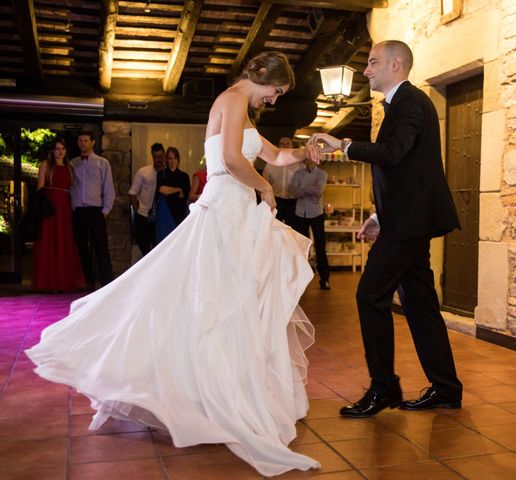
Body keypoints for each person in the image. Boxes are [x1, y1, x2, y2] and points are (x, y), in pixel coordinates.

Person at [26, 51, 322, 477]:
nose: (275, 100)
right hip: (226, 212)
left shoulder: (244, 108)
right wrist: (265, 190)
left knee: (230, 306)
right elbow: (237, 160)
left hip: (235, 212)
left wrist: (308, 152)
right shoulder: (235, 99)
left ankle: (220, 387)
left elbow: (273, 157)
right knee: (212, 305)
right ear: (264, 79)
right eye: (277, 91)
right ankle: (206, 392)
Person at [311, 40, 463, 418]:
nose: (366, 70)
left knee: (369, 297)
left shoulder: (410, 102)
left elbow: (393, 154)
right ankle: (445, 389)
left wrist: (342, 146)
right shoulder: (401, 104)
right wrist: (380, 215)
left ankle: (384, 389)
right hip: (407, 220)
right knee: (421, 305)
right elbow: (405, 170)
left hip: (410, 224)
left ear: (396, 64)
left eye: (372, 62)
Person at [32, 138, 85, 291]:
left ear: (66, 151)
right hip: (49, 208)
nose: (60, 151)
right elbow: (40, 189)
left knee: (63, 241)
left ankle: (62, 282)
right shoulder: (46, 165)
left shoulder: (69, 167)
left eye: (62, 148)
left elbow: (71, 189)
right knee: (48, 242)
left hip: (64, 208)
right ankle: (48, 282)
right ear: (52, 151)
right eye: (57, 148)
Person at [69, 130, 115, 291]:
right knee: (81, 247)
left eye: (86, 140)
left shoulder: (102, 163)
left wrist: (105, 211)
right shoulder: (72, 164)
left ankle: (107, 282)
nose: (83, 143)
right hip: (78, 211)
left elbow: (109, 188)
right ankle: (89, 280)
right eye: (80, 141)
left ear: (92, 142)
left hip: (96, 211)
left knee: (101, 246)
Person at [291, 157, 330, 290]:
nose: (310, 162)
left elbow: (318, 191)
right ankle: (301, 279)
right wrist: (309, 189)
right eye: (308, 159)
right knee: (301, 246)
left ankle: (324, 279)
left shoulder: (322, 174)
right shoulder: (298, 174)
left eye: (313, 159)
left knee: (320, 246)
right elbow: (294, 192)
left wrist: (302, 187)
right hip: (300, 213)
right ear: (304, 161)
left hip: (316, 213)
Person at [129, 142, 165, 256]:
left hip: (162, 218)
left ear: (164, 156)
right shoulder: (143, 172)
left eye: (160, 156)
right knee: (144, 248)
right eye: (155, 157)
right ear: (152, 156)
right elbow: (132, 192)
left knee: (159, 248)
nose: (158, 159)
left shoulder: (168, 174)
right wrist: (137, 211)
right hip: (144, 216)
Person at [262, 136, 301, 226]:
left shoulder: (299, 165)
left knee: (292, 229)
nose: (285, 146)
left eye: (288, 143)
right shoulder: (270, 164)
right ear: (278, 146)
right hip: (276, 200)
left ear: (292, 146)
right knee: (275, 227)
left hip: (293, 202)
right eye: (282, 144)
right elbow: (265, 182)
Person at [154, 146, 190, 243]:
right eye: (170, 158)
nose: (172, 161)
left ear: (178, 159)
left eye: (174, 158)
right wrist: (178, 189)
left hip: (180, 215)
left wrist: (170, 191)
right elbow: (162, 189)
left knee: (179, 243)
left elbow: (184, 194)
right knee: (164, 243)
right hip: (165, 214)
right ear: (166, 159)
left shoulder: (184, 176)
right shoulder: (161, 174)